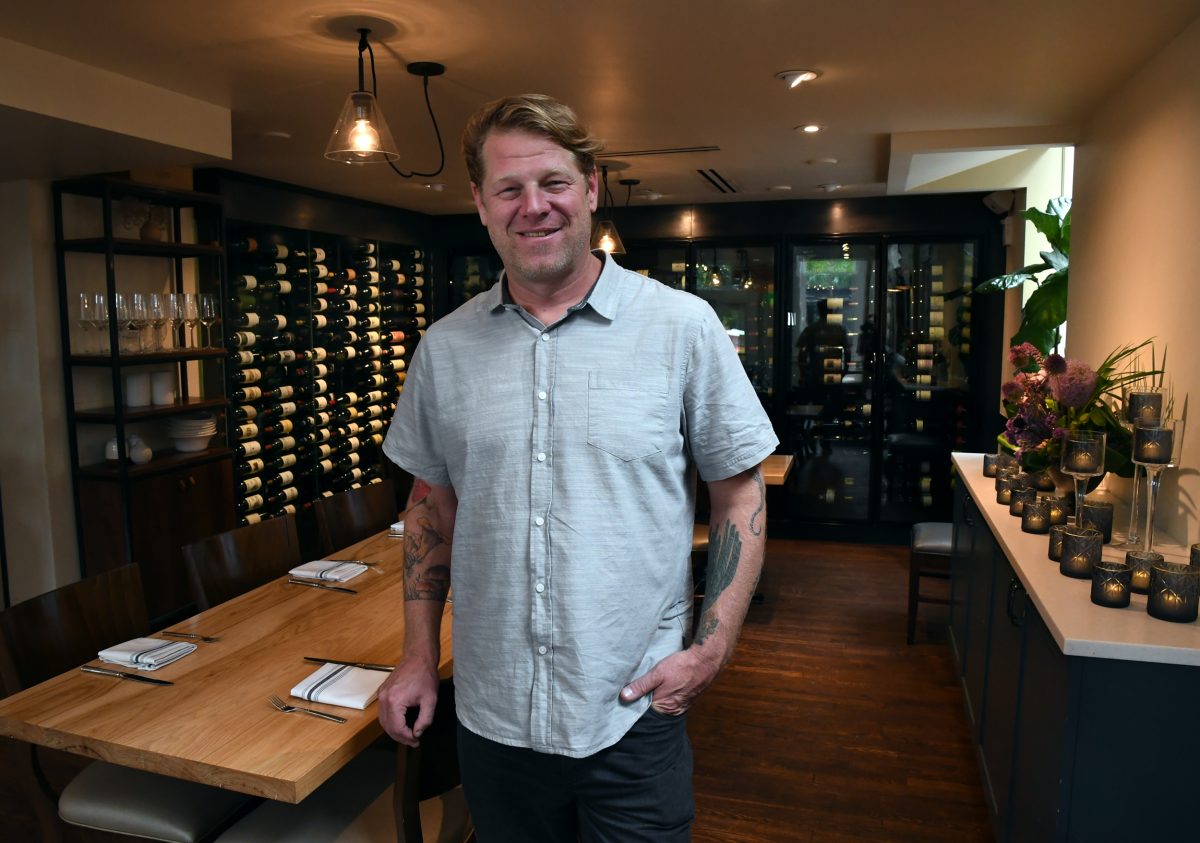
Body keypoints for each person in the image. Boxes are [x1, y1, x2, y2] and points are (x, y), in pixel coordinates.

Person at [377, 93, 778, 842]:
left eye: (554, 183)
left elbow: (738, 494)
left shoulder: (682, 328)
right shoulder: (444, 349)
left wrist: (712, 646)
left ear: (591, 188)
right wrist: (417, 656)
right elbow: (430, 504)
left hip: (632, 716)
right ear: (482, 203)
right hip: (493, 723)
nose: (535, 206)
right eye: (510, 188)